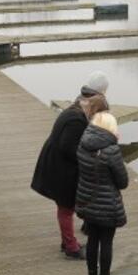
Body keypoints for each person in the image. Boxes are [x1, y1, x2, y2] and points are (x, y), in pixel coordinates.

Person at [31, 72, 109, 259]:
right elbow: (68, 148)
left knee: (67, 206)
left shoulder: (77, 108)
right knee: (66, 208)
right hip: (60, 168)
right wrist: (90, 157)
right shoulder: (76, 119)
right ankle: (70, 247)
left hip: (58, 164)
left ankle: (67, 241)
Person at [75, 111, 129, 275]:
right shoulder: (111, 151)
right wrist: (115, 143)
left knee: (92, 239)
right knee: (106, 242)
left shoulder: (82, 145)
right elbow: (123, 182)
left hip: (87, 200)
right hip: (107, 205)